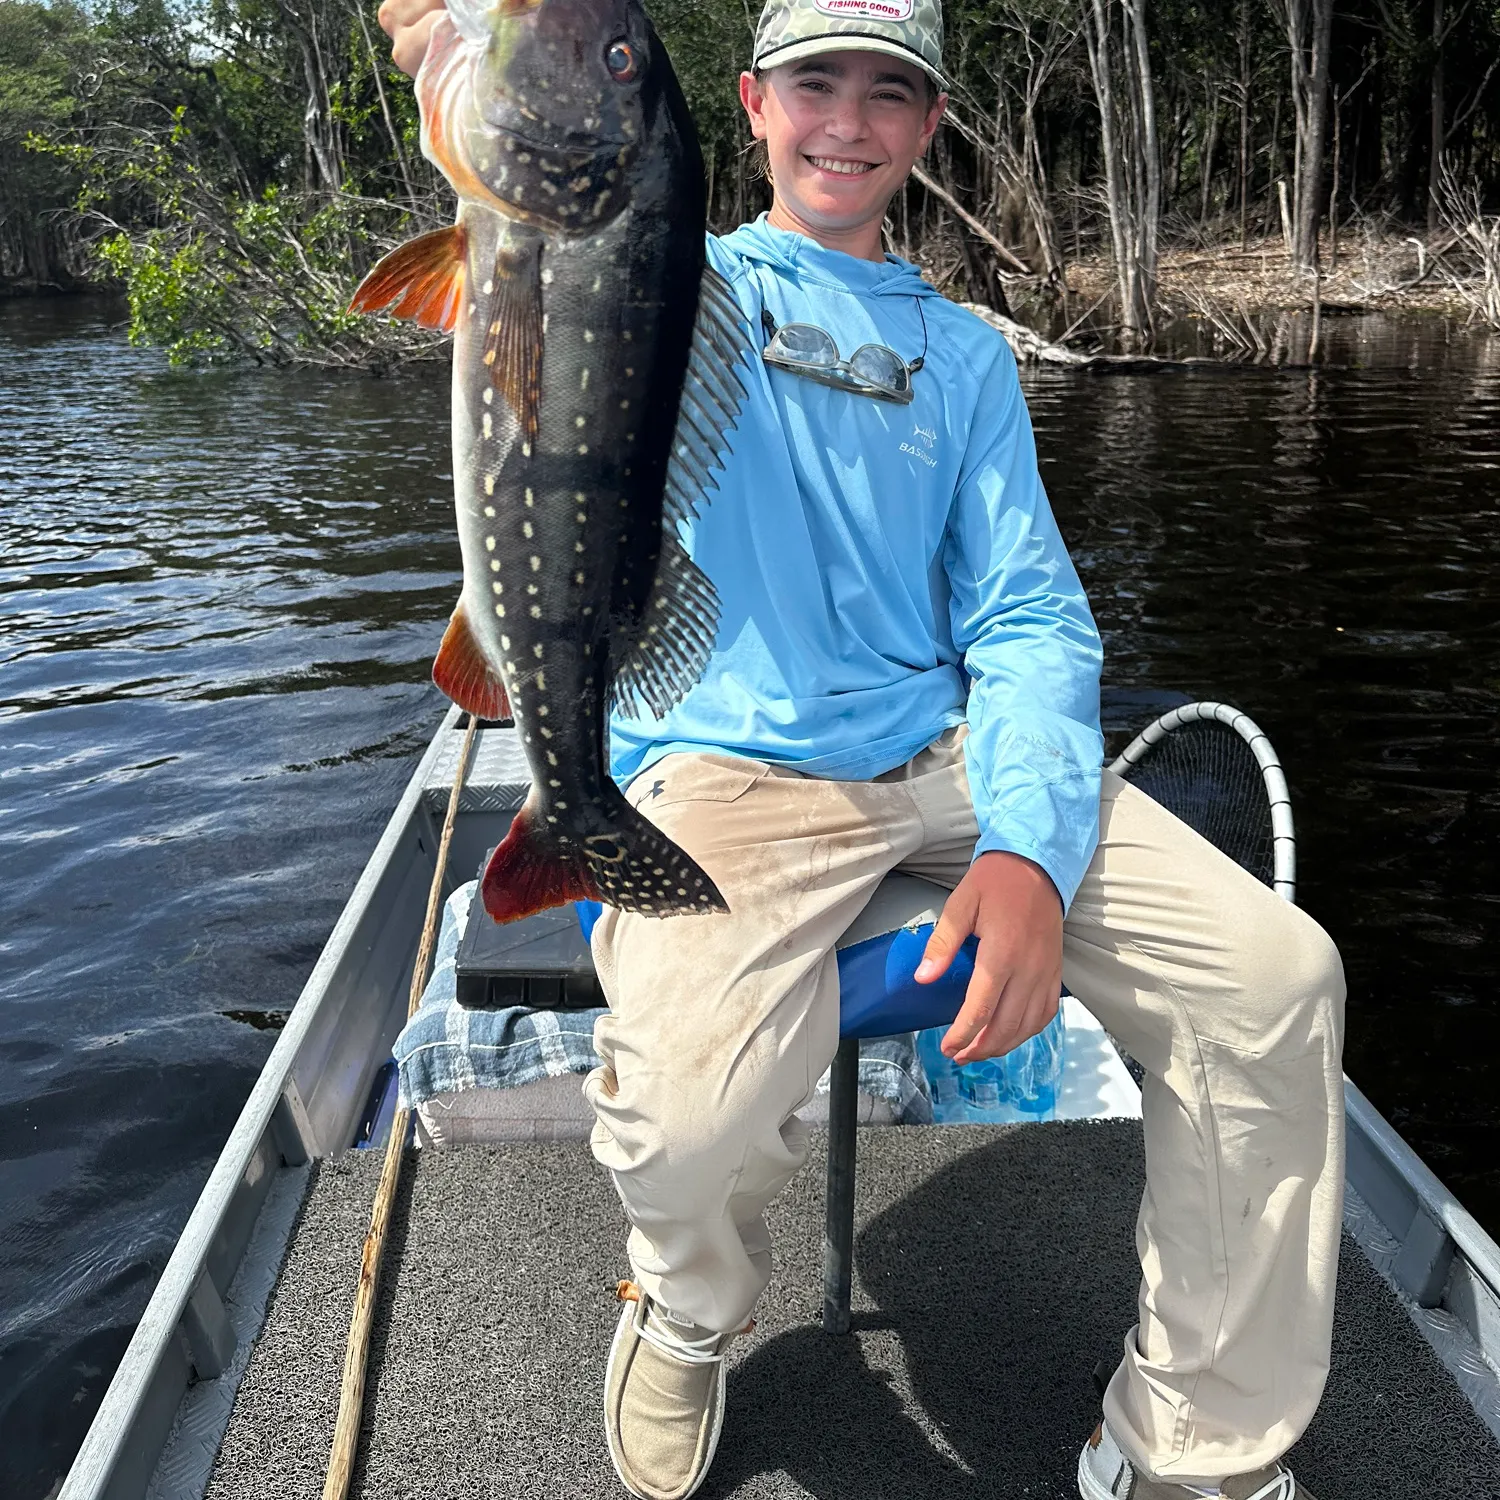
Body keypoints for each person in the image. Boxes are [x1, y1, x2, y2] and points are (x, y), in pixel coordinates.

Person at [377, 3, 1347, 1499]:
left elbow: (1028, 616)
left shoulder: (964, 362)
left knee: (1276, 984)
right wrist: (459, 51)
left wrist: (1029, 848)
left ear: (930, 127)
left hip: (953, 752)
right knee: (685, 1124)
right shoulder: (673, 283)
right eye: (814, 83)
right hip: (729, 766)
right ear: (752, 107)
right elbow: (515, 162)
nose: (848, 120)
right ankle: (689, 1311)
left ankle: (1192, 1440)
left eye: (888, 91)